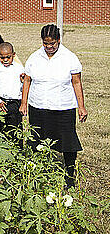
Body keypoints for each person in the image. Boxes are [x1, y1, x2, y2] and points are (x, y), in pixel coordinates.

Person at [20, 24, 88, 188]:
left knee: (68, 143)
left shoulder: (70, 57)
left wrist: (81, 106)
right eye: (46, 43)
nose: (49, 47)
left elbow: (76, 82)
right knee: (37, 142)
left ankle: (69, 177)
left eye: (52, 44)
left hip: (63, 108)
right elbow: (27, 81)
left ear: (58, 40)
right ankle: (37, 174)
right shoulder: (35, 57)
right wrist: (24, 103)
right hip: (39, 107)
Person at [0, 42, 24, 132]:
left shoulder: (19, 68)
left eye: (8, 57)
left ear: (13, 55)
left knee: (15, 131)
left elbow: (23, 88)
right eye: (2, 58)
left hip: (15, 104)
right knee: (1, 131)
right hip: (1, 103)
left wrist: (23, 82)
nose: (5, 60)